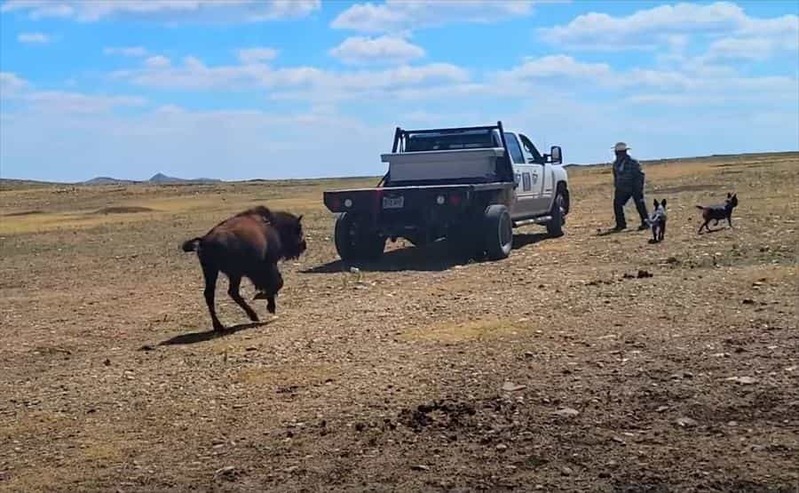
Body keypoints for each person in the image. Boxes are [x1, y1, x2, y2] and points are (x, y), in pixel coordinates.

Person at [610, 142, 648, 231]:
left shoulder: (633, 162)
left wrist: (638, 188)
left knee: (640, 204)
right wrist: (617, 186)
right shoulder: (616, 164)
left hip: (634, 188)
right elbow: (616, 176)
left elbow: (640, 175)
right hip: (622, 188)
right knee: (617, 204)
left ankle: (646, 223)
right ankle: (621, 224)